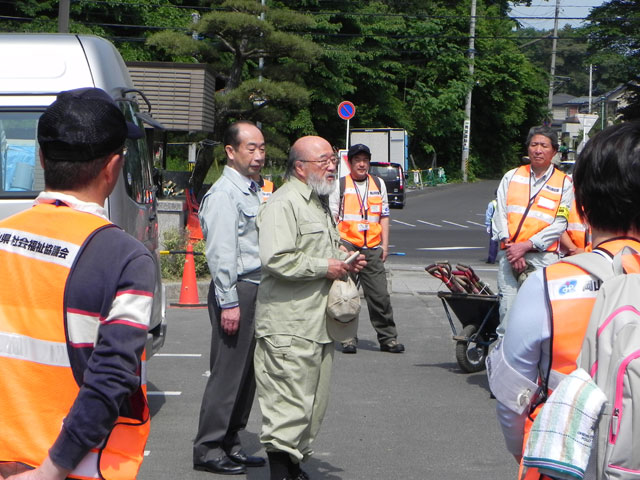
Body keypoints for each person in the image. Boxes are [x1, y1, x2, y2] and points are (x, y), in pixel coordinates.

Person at [0, 88, 154, 480]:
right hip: (77, 467)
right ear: (113, 168)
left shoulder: (3, 236)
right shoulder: (124, 256)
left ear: (40, 157)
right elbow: (113, 375)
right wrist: (48, 471)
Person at [488, 121, 640, 479]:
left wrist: (525, 453)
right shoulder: (516, 178)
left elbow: (512, 401)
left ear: (582, 209)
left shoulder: (549, 286)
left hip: (563, 464)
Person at [254, 136, 365, 480]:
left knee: (311, 408)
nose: (333, 166)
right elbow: (276, 258)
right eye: (324, 161)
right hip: (289, 326)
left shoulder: (316, 201)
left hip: (317, 325)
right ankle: (282, 473)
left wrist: (344, 263)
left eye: (333, 159)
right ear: (300, 167)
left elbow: (317, 251)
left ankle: (293, 467)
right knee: (287, 408)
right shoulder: (284, 202)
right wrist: (325, 267)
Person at [192, 121, 266, 475]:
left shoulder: (251, 189)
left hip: (255, 286)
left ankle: (231, 441)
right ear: (231, 152)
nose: (258, 155)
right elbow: (221, 253)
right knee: (227, 372)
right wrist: (229, 301)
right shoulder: (223, 194)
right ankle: (208, 448)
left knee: (247, 373)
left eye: (262, 148)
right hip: (236, 289)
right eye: (250, 148)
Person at [492, 126, 573, 329]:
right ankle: (504, 359)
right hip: (510, 256)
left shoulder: (565, 183)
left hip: (543, 258)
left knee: (541, 319)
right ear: (528, 148)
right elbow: (500, 213)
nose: (538, 150)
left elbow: (560, 224)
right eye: (534, 144)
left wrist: (526, 246)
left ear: (554, 152)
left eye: (544, 146)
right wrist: (512, 248)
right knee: (507, 318)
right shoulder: (512, 176)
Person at [328, 143, 404, 354]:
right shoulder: (340, 185)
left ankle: (388, 338)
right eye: (357, 160)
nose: (361, 164)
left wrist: (385, 246)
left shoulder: (378, 184)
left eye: (365, 160)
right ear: (350, 163)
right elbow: (332, 219)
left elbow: (384, 217)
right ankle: (347, 338)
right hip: (347, 246)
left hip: (372, 246)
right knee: (346, 296)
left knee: (380, 296)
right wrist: (340, 247)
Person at [485, 192, 498, 264]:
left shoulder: (492, 204)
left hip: (494, 224)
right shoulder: (505, 202)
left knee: (493, 241)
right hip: (504, 224)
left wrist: (488, 225)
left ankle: (491, 258)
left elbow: (488, 215)